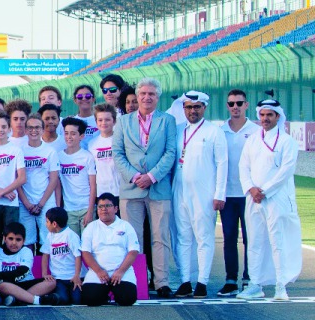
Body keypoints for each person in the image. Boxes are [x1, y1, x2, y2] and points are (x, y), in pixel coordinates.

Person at [112, 77, 177, 298]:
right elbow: (118, 153)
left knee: (160, 237)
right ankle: (137, 281)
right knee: (133, 238)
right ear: (137, 96)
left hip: (159, 187)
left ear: (157, 97)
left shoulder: (167, 121)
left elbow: (170, 153)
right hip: (131, 189)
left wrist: (151, 176)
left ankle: (162, 283)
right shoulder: (123, 122)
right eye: (143, 94)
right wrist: (136, 176)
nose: (147, 97)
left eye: (151, 94)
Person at [237, 99, 302, 301]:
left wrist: (264, 190)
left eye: (270, 115)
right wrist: (251, 189)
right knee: (255, 241)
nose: (265, 119)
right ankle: (255, 284)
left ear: (277, 117)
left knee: (278, 241)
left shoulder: (287, 141)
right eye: (263, 115)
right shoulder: (253, 140)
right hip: (254, 199)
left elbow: (286, 170)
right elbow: (243, 167)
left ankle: (281, 286)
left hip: (276, 199)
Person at [171, 91, 227, 298]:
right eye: (188, 107)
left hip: (204, 192)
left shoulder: (214, 131)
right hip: (179, 190)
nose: (192, 111)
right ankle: (185, 280)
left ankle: (202, 281)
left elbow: (222, 164)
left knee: (203, 237)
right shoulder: (178, 130)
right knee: (183, 237)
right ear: (183, 108)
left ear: (204, 108)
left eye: (196, 107)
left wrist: (219, 194)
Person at [217, 89, 255, 296]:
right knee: (229, 237)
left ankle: (249, 278)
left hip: (248, 194)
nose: (235, 107)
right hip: (228, 194)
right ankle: (231, 279)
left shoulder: (256, 131)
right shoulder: (220, 130)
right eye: (231, 104)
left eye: (239, 103)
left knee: (251, 238)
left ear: (246, 105)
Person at [80, 193, 140, 306]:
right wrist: (99, 271)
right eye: (100, 206)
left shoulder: (126, 226)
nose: (104, 209)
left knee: (128, 299)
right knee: (89, 299)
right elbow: (86, 252)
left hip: (121, 271)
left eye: (108, 206)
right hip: (98, 272)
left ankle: (115, 290)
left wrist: (120, 271)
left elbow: (133, 251)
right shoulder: (91, 227)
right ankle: (105, 293)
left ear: (116, 208)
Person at [17, 114, 60, 249]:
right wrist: (27, 203)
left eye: (37, 127)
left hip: (46, 202)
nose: (33, 130)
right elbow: (17, 180)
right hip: (25, 203)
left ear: (42, 130)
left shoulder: (50, 151)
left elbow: (54, 180)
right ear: (25, 130)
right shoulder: (20, 151)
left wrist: (41, 204)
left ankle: (44, 270)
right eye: (30, 128)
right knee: (27, 241)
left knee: (46, 241)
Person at [0, 223, 55, 306]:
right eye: (10, 239)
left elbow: (23, 271)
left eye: (18, 239)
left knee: (51, 282)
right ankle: (37, 300)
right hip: (9, 286)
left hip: (26, 283)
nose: (14, 243)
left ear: (24, 240)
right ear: (4, 238)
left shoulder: (26, 251)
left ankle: (18, 299)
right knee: (2, 286)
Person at [58, 117, 97, 236]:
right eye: (66, 133)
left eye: (73, 133)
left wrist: (90, 211)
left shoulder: (87, 157)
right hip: (69, 209)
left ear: (81, 136)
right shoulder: (58, 156)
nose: (69, 137)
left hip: (86, 208)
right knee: (73, 246)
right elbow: (58, 184)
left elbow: (93, 186)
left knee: (88, 245)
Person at [41, 207, 82, 305]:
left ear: (54, 224)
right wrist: (44, 273)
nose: (46, 224)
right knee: (63, 300)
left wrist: (77, 275)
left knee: (77, 301)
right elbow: (45, 255)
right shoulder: (50, 236)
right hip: (58, 278)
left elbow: (78, 256)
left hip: (72, 278)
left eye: (47, 222)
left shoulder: (71, 235)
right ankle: (50, 297)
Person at [90, 104, 119, 200]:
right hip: (101, 193)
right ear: (96, 121)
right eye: (100, 120)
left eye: (107, 119)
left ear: (114, 121)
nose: (103, 123)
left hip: (120, 192)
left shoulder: (121, 140)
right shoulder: (92, 144)